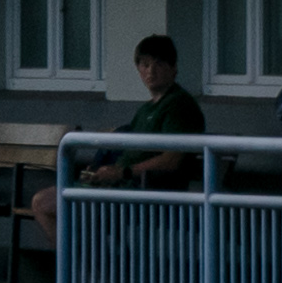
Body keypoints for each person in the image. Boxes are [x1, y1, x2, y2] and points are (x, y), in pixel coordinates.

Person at [41, 35, 207, 254]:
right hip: (123, 188)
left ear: (173, 68)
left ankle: (90, 275)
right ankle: (86, 273)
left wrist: (123, 172)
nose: (151, 71)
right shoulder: (145, 110)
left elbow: (172, 159)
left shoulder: (178, 105)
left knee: (54, 206)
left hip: (147, 194)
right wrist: (101, 172)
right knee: (42, 202)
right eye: (145, 65)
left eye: (159, 64)